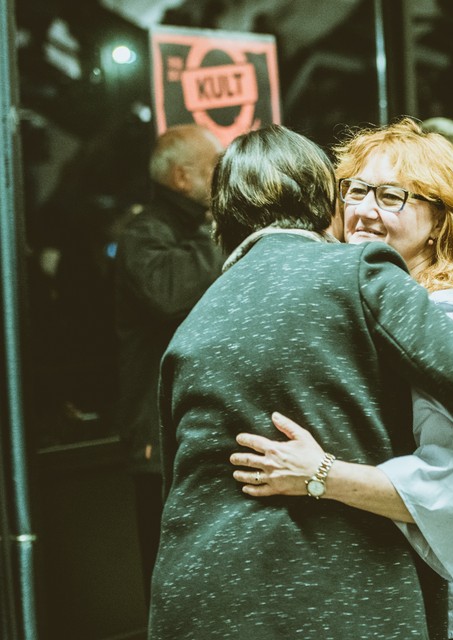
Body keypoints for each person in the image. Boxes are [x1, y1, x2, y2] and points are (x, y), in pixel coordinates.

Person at [148, 124, 453, 639]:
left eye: (390, 195)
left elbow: (176, 481)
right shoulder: (355, 276)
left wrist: (320, 472)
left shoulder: (194, 321)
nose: (365, 210)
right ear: (326, 201)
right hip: (331, 597)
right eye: (355, 191)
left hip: (194, 594)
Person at [112, 123, 224, 599]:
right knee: (170, 571)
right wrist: (226, 228)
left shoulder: (187, 228)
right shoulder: (145, 233)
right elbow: (170, 292)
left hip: (191, 424)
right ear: (182, 178)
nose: (223, 179)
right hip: (157, 434)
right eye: (214, 169)